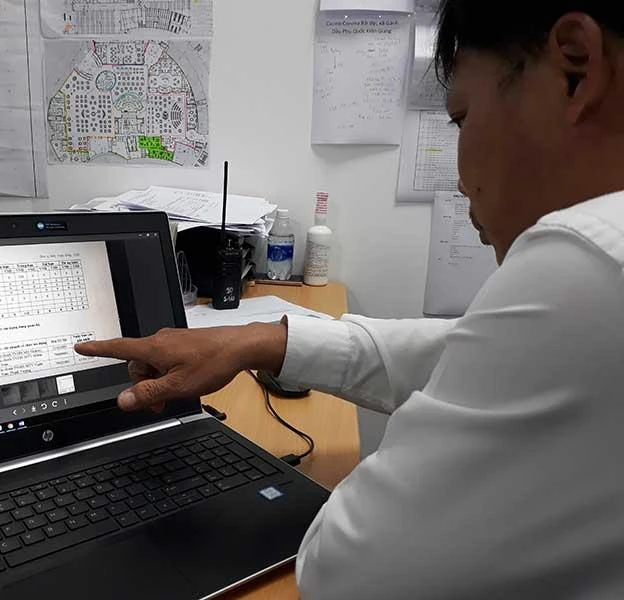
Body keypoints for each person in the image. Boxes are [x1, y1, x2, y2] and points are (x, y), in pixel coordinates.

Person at [76, 2, 624, 598]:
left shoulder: (585, 261)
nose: (460, 179)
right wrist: (259, 339)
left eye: (462, 119)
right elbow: (455, 349)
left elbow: (345, 572)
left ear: (576, 68)